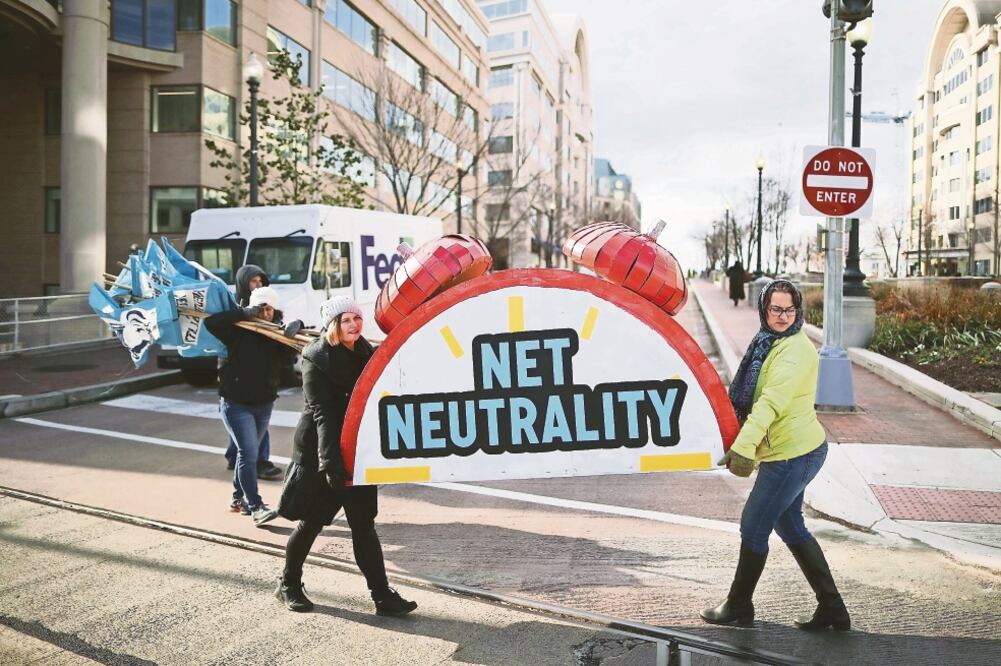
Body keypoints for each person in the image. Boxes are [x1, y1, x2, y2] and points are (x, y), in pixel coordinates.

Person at [701, 280, 850, 631]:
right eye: (775, 309)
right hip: (796, 450)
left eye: (789, 310)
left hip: (791, 455)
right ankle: (833, 609)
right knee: (789, 523)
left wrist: (743, 446)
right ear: (764, 310)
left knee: (753, 525)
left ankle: (738, 604)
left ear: (798, 311)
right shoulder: (769, 342)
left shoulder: (795, 350)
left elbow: (770, 403)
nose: (782, 316)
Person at [275, 296, 418, 616]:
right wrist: (330, 465)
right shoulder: (315, 358)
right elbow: (322, 414)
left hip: (358, 451)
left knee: (363, 525)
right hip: (321, 454)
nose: (354, 324)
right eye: (346, 319)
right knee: (311, 523)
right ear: (333, 324)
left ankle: (382, 596)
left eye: (356, 317)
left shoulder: (367, 352)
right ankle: (289, 583)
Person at [206, 286, 297, 526]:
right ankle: (256, 506)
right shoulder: (238, 331)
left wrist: (290, 337)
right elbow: (212, 324)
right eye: (260, 308)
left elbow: (288, 362)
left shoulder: (276, 333)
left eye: (269, 308)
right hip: (235, 403)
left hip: (264, 402)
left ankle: (237, 499)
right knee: (248, 453)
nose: (265, 313)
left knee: (247, 453)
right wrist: (243, 313)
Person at [223, 265, 283, 481]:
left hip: (262, 380)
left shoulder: (268, 308)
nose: (258, 286)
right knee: (248, 419)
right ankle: (258, 461)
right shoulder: (234, 307)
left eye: (261, 282)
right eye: (253, 282)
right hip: (236, 374)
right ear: (243, 284)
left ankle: (237, 455)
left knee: (254, 420)